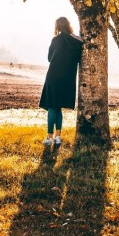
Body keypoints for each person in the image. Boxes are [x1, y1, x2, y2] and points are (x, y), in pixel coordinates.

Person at [39, 16, 83, 145]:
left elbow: (49, 58)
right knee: (58, 108)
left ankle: (49, 137)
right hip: (68, 78)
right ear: (68, 25)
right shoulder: (78, 41)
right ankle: (58, 137)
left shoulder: (56, 40)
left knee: (52, 106)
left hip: (53, 75)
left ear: (57, 27)